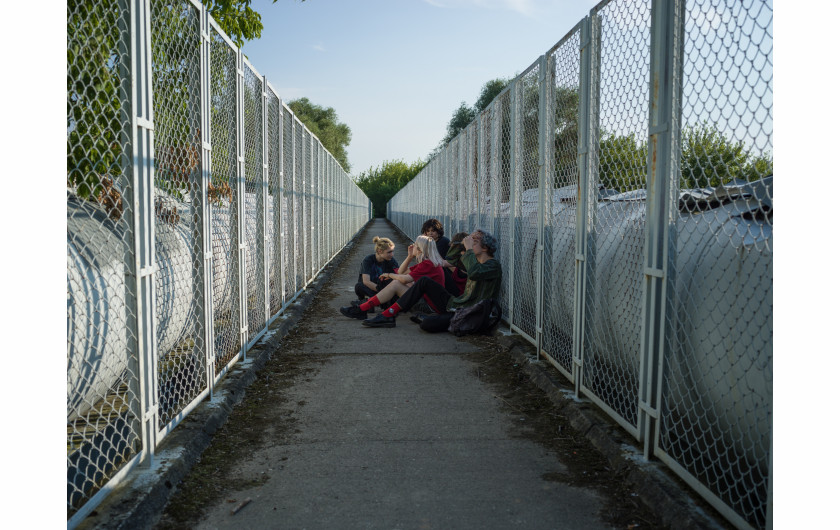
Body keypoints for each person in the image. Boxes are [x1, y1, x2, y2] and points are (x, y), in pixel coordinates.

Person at [360, 228, 502, 329]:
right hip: (456, 304)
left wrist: (469, 249)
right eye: (472, 240)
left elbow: (475, 272)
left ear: (485, 248)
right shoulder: (471, 259)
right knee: (424, 282)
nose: (471, 243)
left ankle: (419, 317)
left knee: (427, 325)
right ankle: (388, 315)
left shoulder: (493, 266)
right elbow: (451, 258)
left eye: (475, 241)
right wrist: (465, 242)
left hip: (470, 312)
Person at [340, 235, 447, 319]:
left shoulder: (427, 264)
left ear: (419, 249)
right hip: (430, 303)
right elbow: (401, 272)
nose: (412, 246)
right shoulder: (428, 263)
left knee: (397, 283)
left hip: (430, 307)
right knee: (397, 282)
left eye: (415, 245)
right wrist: (410, 256)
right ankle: (364, 308)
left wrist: (389, 275)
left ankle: (362, 309)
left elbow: (403, 278)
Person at [354, 236, 400, 302]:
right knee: (359, 286)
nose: (392, 254)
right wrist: (382, 292)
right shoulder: (368, 260)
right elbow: (366, 281)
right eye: (389, 252)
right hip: (373, 288)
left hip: (384, 289)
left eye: (392, 251)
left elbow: (398, 275)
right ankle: (369, 300)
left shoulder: (391, 261)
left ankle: (372, 301)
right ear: (380, 251)